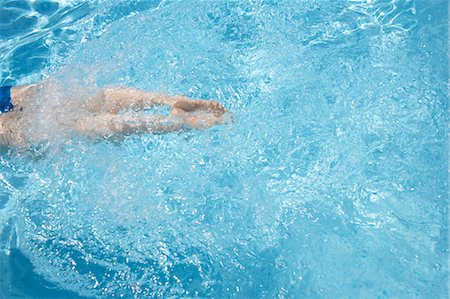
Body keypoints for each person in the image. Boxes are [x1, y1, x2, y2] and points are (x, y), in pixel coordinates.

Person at [0, 81, 230, 147]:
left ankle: (173, 123)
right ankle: (167, 100)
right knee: (95, 100)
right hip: (8, 94)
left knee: (71, 127)